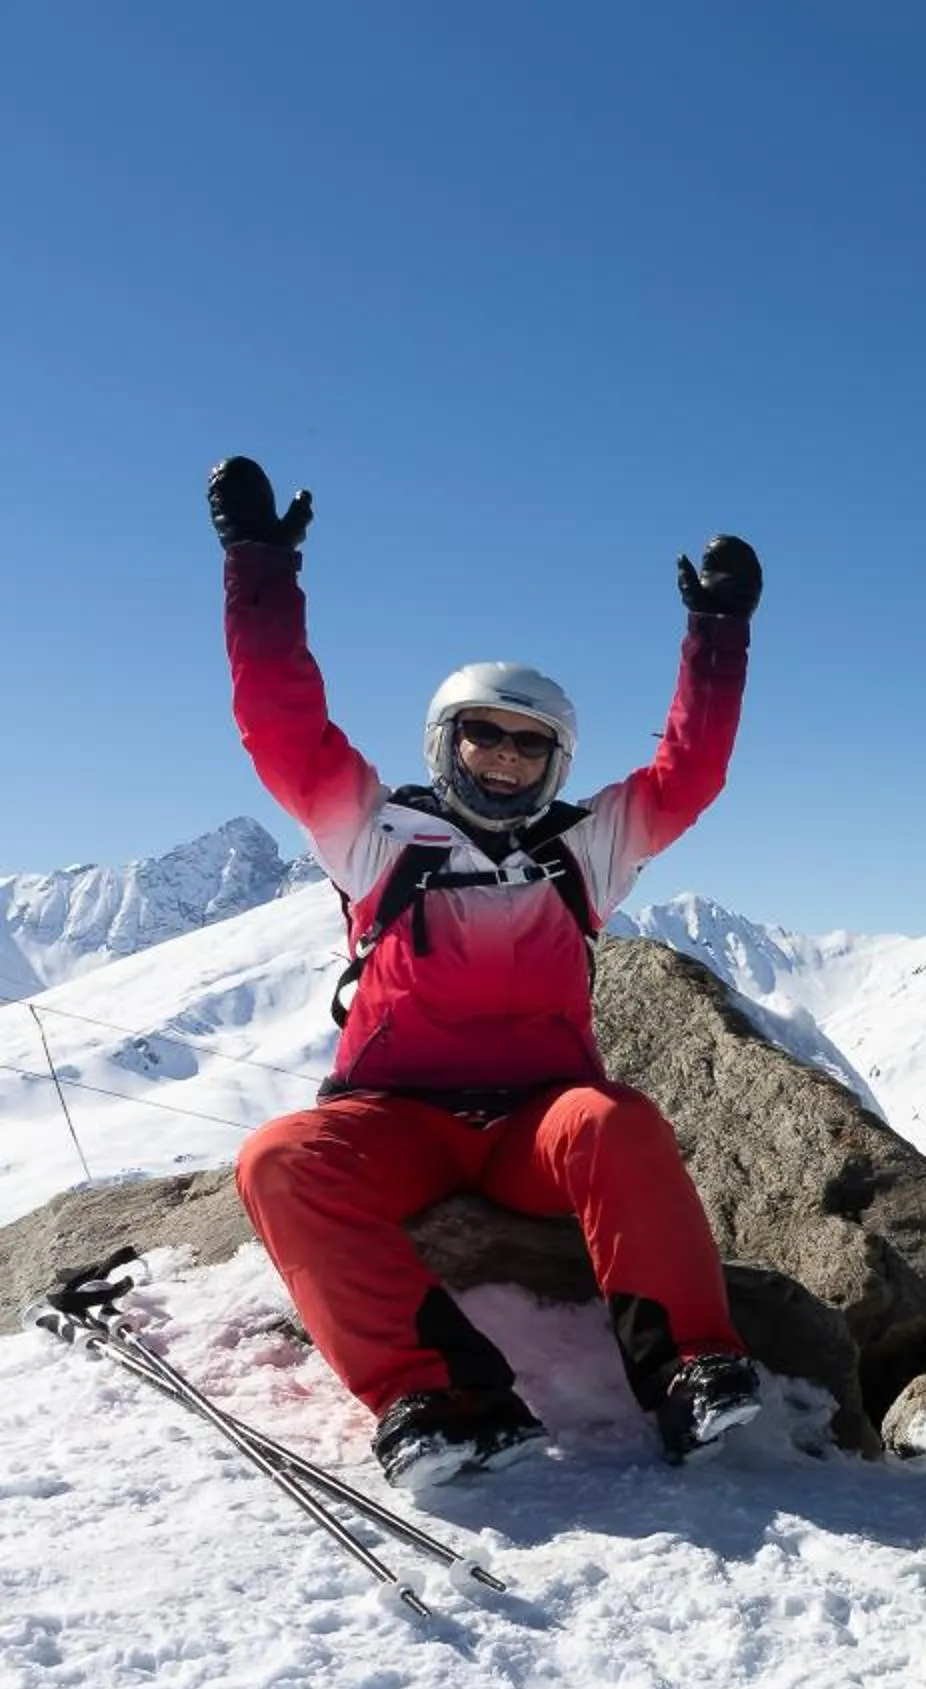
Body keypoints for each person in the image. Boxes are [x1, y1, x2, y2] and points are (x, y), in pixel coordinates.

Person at [210, 456, 771, 1489]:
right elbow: (281, 725)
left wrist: (718, 633)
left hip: (535, 1123)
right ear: (448, 740)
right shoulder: (375, 832)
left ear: (556, 760)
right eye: (485, 735)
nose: (506, 757)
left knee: (616, 1120)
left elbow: (690, 772)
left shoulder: (584, 847)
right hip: (395, 1119)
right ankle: (441, 1397)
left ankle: (690, 1368)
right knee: (278, 1159)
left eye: (529, 743)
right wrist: (259, 565)